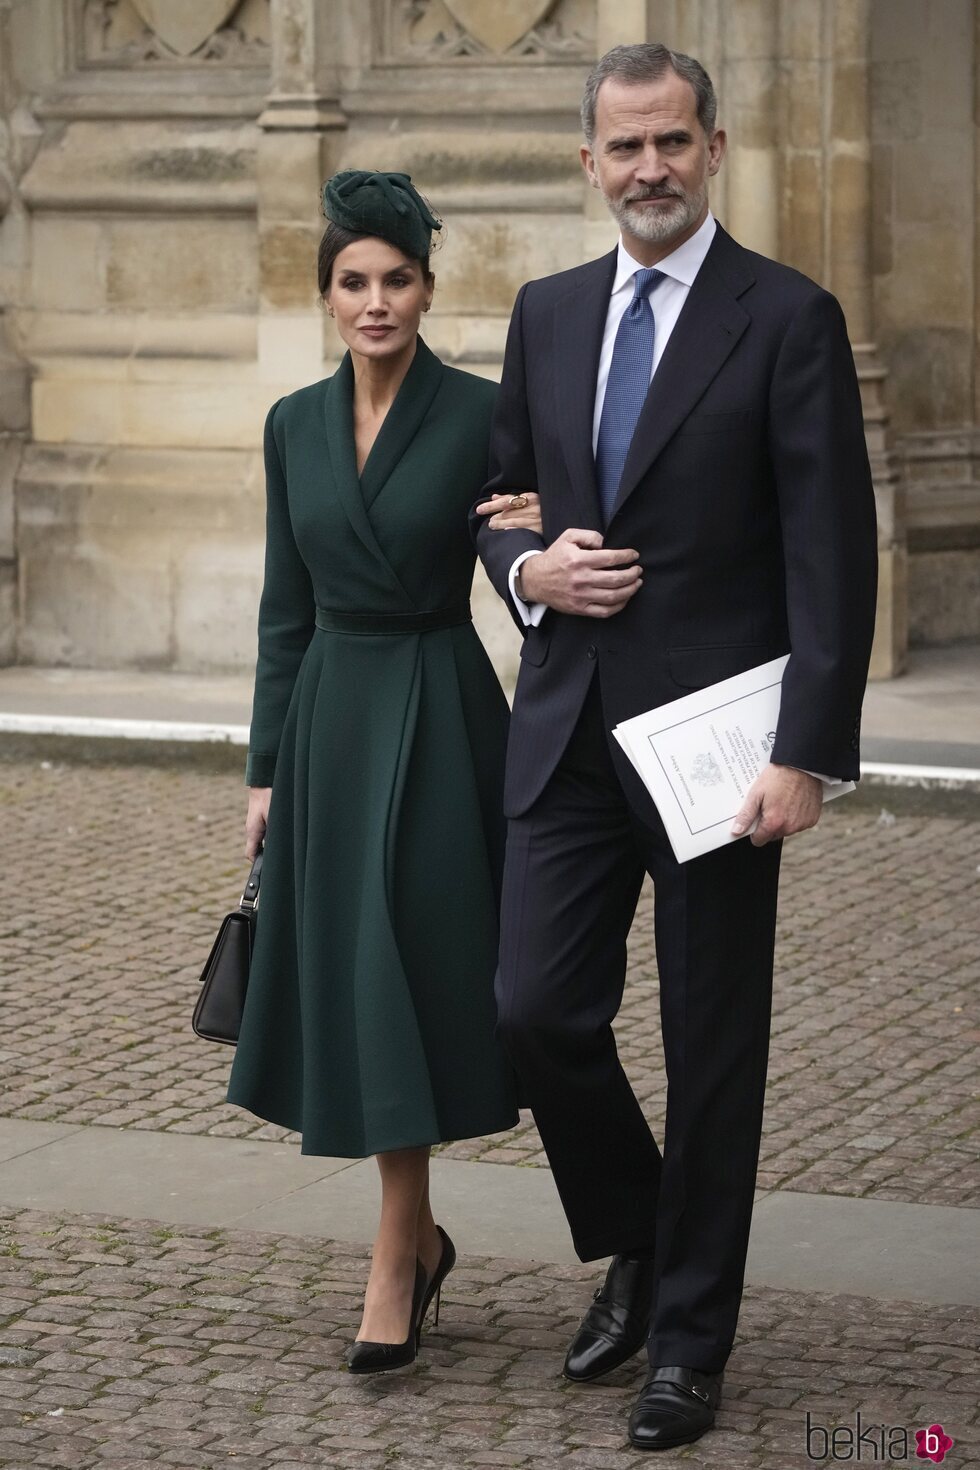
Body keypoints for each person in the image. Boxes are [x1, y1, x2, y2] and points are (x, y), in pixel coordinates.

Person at [472, 43, 878, 1452]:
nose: (649, 168)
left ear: (714, 149)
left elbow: (833, 553)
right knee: (533, 1009)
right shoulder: (548, 310)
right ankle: (642, 1234)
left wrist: (807, 751)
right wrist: (531, 569)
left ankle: (689, 1341)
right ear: (587, 161)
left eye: (672, 143)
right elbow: (500, 493)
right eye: (623, 146)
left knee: (714, 1050)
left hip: (718, 752)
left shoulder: (789, 318)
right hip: (570, 729)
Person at [227, 169, 538, 1375]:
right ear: (324, 296)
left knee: (418, 975)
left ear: (424, 285)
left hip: (444, 710)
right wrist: (264, 771)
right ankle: (408, 1243)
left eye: (395, 278)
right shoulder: (290, 424)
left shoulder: (482, 412)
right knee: (358, 987)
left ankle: (397, 1253)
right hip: (327, 728)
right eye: (352, 281)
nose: (374, 301)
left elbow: (519, 549)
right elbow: (280, 609)